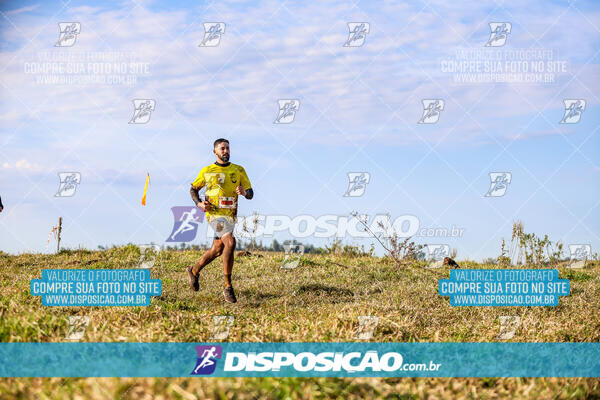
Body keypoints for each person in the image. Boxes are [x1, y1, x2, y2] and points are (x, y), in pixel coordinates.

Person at [187, 138, 253, 303]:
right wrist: (199, 203)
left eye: (228, 148)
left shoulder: (238, 170)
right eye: (222, 148)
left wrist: (244, 192)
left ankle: (194, 271)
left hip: (230, 215)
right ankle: (227, 286)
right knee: (230, 242)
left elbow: (251, 193)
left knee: (217, 249)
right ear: (215, 151)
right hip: (214, 214)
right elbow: (194, 189)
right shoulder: (207, 170)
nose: (226, 151)